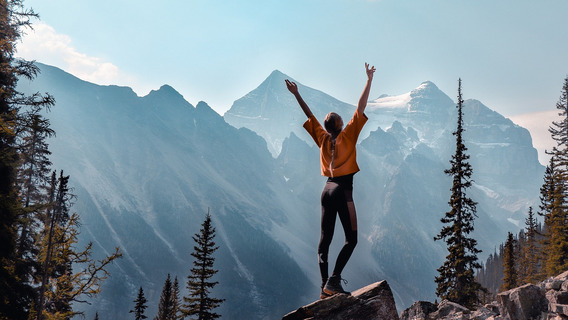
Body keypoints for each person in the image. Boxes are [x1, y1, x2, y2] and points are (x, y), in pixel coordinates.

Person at [285, 62, 376, 299]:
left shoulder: (322, 139)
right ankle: (334, 280)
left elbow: (309, 115)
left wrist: (297, 94)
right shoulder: (348, 135)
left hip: (326, 190)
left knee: (325, 239)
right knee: (352, 239)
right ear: (341, 125)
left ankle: (324, 288)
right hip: (343, 191)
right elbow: (362, 105)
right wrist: (368, 80)